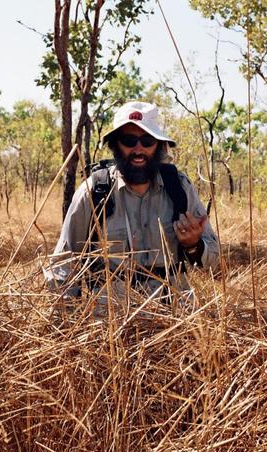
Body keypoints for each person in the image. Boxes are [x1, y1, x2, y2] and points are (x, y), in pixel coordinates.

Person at [44, 101, 219, 306]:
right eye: (129, 140)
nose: (138, 149)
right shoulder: (93, 192)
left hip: (175, 318)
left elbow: (213, 261)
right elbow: (63, 265)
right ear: (115, 144)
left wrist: (194, 246)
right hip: (110, 321)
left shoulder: (180, 189)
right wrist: (65, 323)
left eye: (147, 141)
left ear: (159, 146)